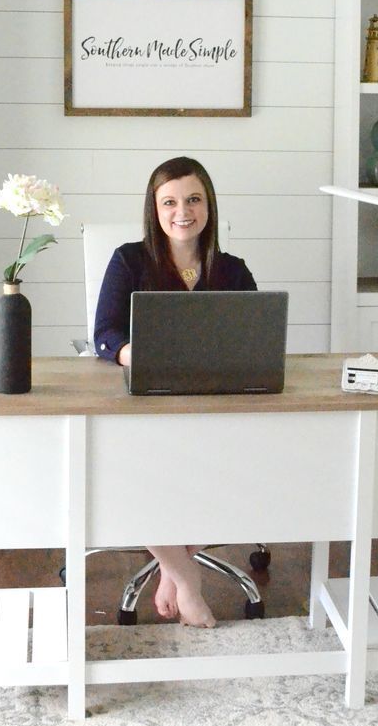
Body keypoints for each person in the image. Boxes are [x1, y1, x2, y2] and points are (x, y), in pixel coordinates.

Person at [94, 156, 257, 628]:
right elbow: (105, 335)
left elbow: (255, 339)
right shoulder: (129, 260)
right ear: (154, 209)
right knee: (124, 471)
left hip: (217, 408)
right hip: (146, 405)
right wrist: (138, 356)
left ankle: (170, 564)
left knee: (252, 466)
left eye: (192, 199)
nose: (181, 211)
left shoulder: (234, 271)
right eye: (169, 202)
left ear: (208, 206)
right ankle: (186, 574)